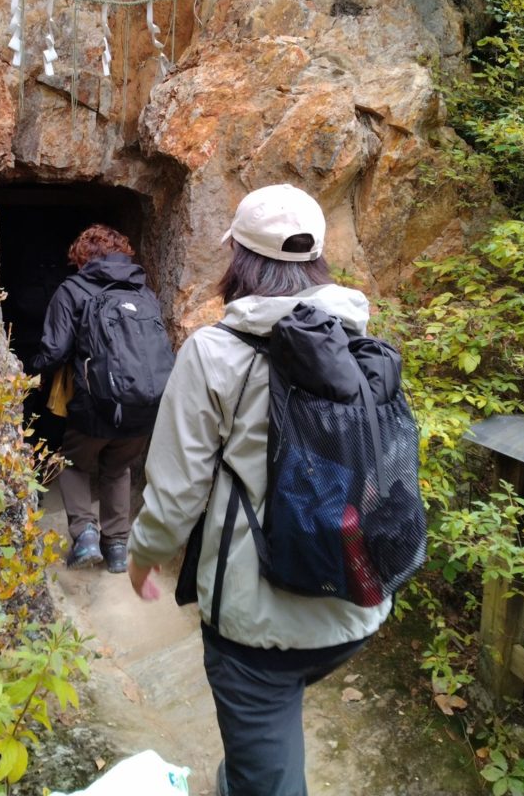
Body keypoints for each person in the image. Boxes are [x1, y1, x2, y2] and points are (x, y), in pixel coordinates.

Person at [127, 184, 393, 796]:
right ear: (318, 260)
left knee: (264, 767)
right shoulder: (359, 340)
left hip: (257, 624)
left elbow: (174, 493)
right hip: (358, 598)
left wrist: (143, 558)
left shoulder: (216, 353)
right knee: (267, 739)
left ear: (239, 259)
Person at [32, 223, 165, 574]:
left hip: (95, 404)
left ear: (81, 258)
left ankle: (86, 535)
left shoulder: (72, 289)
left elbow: (55, 349)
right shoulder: (144, 293)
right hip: (144, 405)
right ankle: (118, 548)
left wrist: (31, 375)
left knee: (72, 462)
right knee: (118, 467)